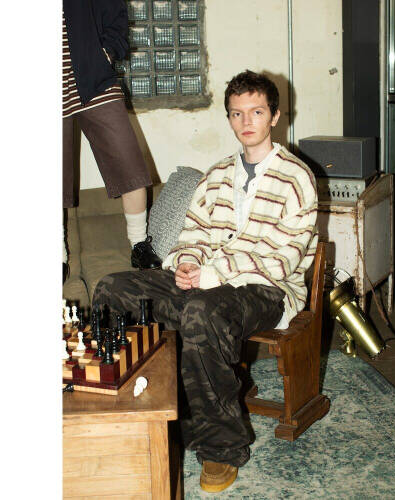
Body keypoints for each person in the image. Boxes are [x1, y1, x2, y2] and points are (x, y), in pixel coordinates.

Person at [93, 70, 318, 493]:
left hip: (268, 289)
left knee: (200, 313)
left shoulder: (296, 178)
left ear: (275, 117)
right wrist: (186, 263)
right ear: (229, 118)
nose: (246, 121)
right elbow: (192, 235)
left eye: (256, 112)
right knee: (112, 290)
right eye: (237, 113)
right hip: (207, 283)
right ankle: (138, 411)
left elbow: (283, 258)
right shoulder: (216, 175)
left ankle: (221, 448)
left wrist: (213, 274)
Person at [63, 0, 161, 278]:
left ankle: (139, 244)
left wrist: (107, 52)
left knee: (129, 162)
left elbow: (116, 14)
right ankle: (57, 254)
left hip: (94, 77)